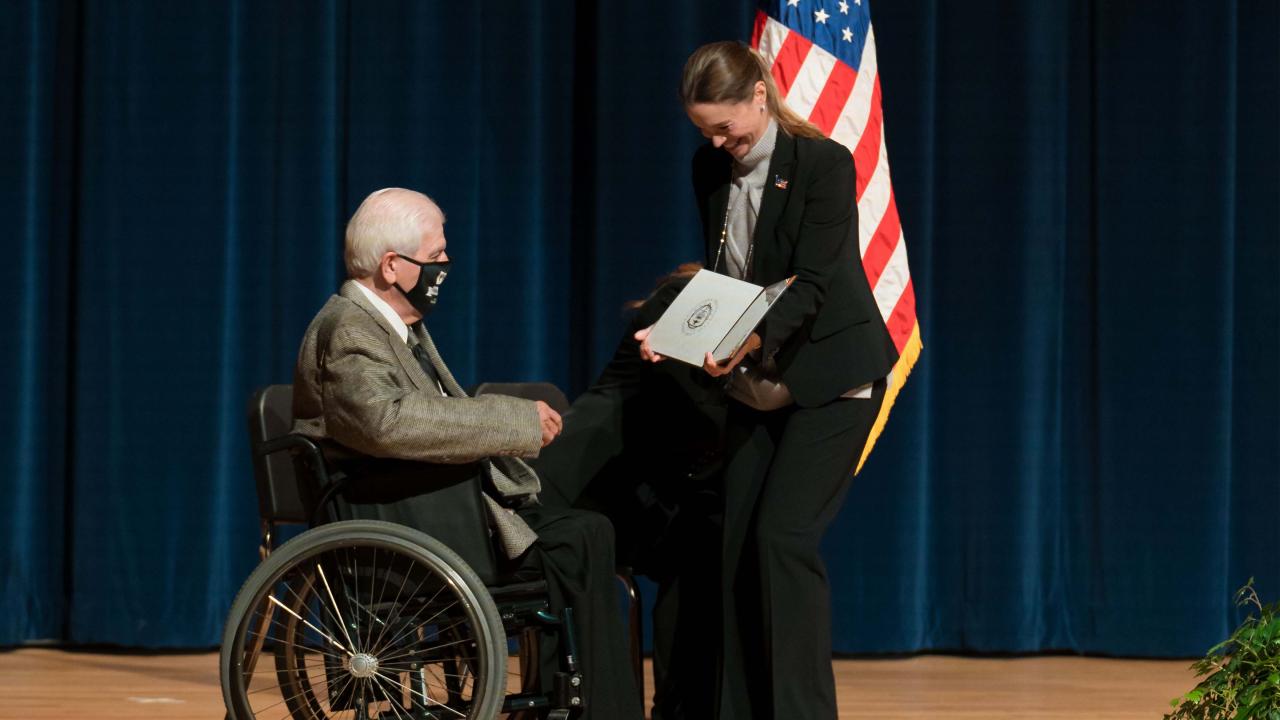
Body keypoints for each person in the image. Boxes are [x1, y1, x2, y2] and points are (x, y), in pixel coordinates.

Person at [291, 187, 643, 720]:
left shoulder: (393, 327)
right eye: (436, 257)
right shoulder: (349, 329)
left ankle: (576, 707)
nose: (446, 265)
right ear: (393, 265)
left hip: (422, 507)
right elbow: (387, 423)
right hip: (402, 523)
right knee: (581, 536)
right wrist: (511, 421)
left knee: (582, 530)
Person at [635, 42, 900, 720]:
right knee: (730, 545)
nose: (719, 142)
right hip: (757, 380)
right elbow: (727, 276)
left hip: (831, 380)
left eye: (727, 127)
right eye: (705, 131)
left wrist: (742, 340)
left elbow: (814, 282)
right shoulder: (710, 168)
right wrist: (680, 333)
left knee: (782, 541)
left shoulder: (823, 164)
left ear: (761, 92)